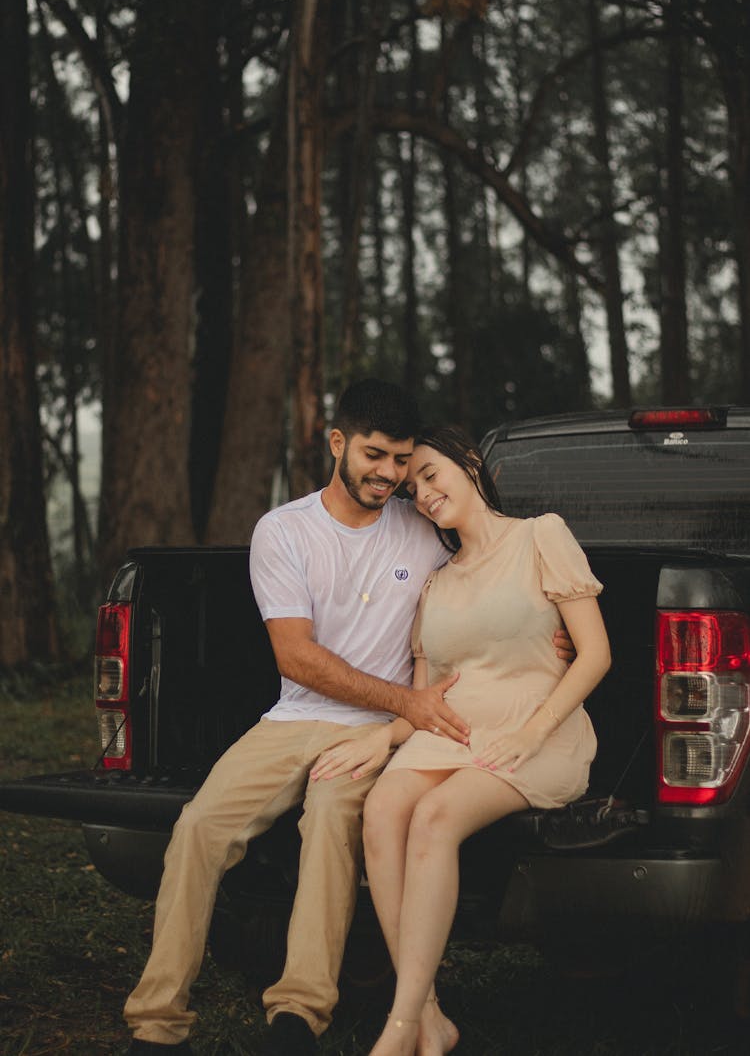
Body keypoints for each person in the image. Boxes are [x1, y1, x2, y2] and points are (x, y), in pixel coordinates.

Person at [123, 382, 573, 1056]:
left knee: (331, 819)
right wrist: (407, 703)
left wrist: (546, 637)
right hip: (296, 717)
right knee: (198, 827)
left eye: (399, 459)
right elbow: (296, 657)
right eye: (375, 455)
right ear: (337, 443)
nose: (390, 474)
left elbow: (489, 594)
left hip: (375, 736)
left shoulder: (424, 530)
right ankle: (158, 1026)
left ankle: (298, 1015)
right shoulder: (285, 530)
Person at [355, 426, 611, 1056]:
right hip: (450, 732)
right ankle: (429, 1016)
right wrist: (385, 737)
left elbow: (596, 654)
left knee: (435, 817)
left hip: (536, 731)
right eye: (412, 488)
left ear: (469, 464)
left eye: (432, 474)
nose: (424, 493)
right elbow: (425, 696)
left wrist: (533, 731)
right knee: (382, 809)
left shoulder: (539, 535)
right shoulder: (436, 583)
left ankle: (397, 1028)